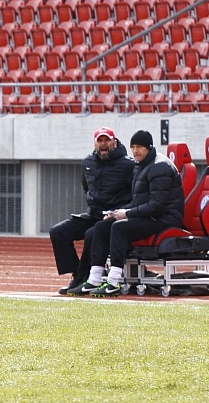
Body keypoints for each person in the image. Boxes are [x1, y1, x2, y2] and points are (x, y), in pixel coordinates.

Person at [75, 130, 185, 297]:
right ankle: (94, 279)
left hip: (165, 219)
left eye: (139, 147)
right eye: (133, 147)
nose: (135, 151)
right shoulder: (141, 166)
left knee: (119, 228)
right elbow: (138, 201)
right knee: (102, 226)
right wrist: (117, 212)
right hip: (150, 215)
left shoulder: (159, 167)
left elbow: (157, 206)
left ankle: (113, 281)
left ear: (149, 147)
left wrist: (127, 214)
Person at [50, 127, 135, 295]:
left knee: (92, 234)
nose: (103, 144)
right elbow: (86, 187)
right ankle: (78, 274)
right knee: (58, 232)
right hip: (93, 214)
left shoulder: (128, 165)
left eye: (107, 140)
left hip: (113, 217)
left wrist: (120, 211)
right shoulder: (88, 162)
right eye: (100, 140)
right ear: (95, 143)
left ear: (114, 142)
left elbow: (136, 193)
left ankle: (84, 278)